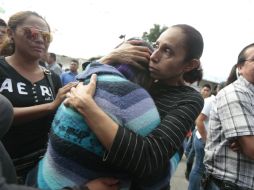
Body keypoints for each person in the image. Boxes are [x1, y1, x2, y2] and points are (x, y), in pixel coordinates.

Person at [64, 24, 205, 189]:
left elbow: (148, 158)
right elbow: (79, 87)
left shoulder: (189, 98)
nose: (154, 56)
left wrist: (88, 109)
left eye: (168, 51)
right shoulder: (138, 75)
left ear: (189, 65)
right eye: (156, 46)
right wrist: (109, 57)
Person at [35, 39, 159, 190]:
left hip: (44, 178)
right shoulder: (136, 99)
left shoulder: (82, 82)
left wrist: (107, 58)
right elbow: (155, 174)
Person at [0, 11, 77, 183]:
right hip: (6, 166)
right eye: (32, 32)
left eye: (46, 35)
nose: (40, 40)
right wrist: (50, 106)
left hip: (44, 165)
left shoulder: (53, 78)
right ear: (11, 33)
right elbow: (3, 113)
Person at [204, 43, 254, 190]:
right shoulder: (236, 93)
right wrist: (247, 140)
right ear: (240, 67)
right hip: (231, 185)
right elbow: (251, 148)